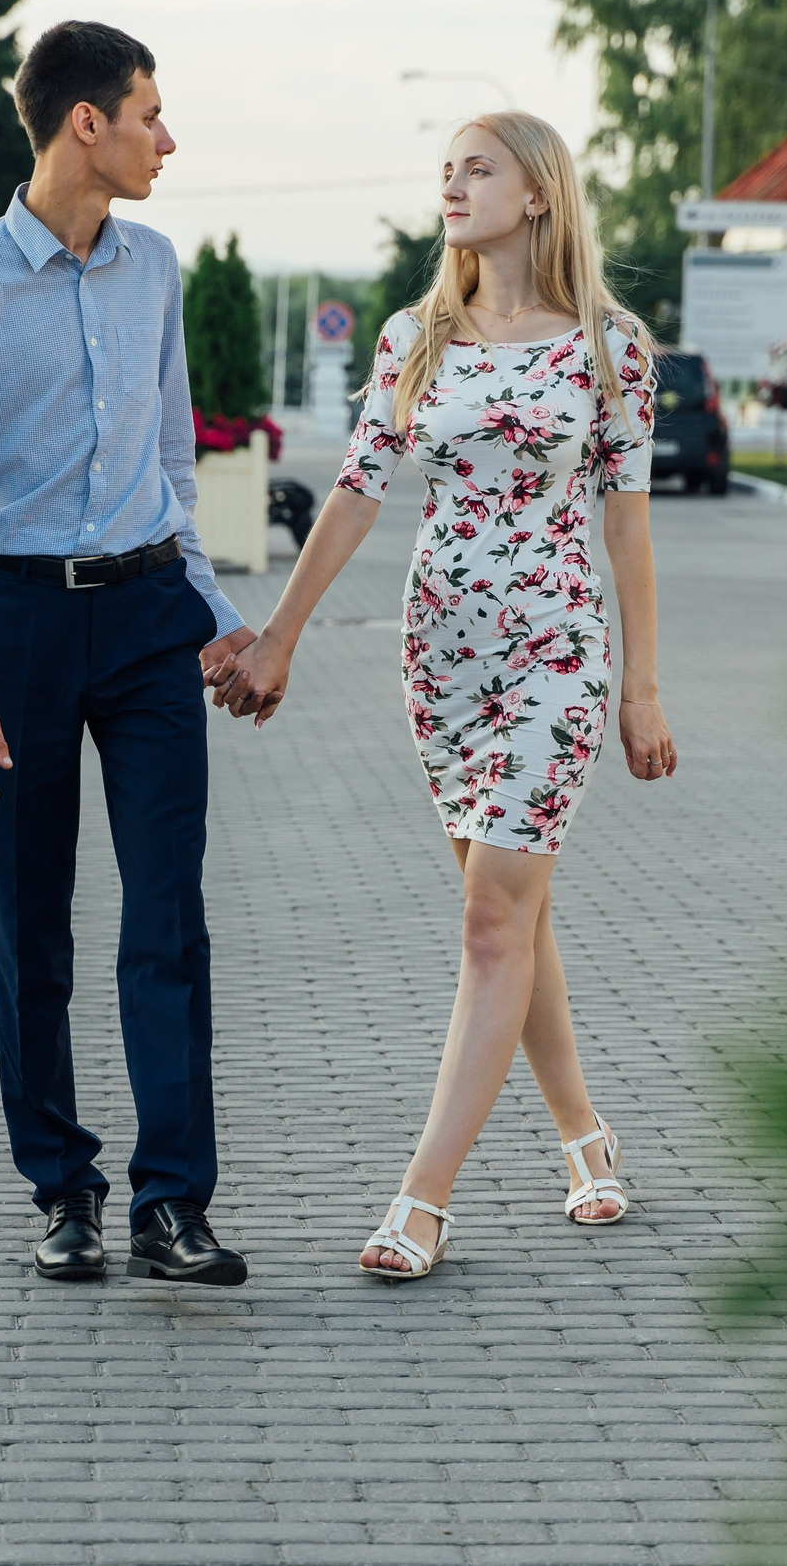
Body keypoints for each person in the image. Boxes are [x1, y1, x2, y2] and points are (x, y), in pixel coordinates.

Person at [205, 111, 678, 1281]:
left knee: (488, 922)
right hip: (441, 660)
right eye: (446, 172)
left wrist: (641, 687)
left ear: (536, 195)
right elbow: (360, 492)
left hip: (557, 654)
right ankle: (584, 1134)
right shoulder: (416, 337)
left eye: (478, 170)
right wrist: (279, 636)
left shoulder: (610, 348)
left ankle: (421, 1200)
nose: (452, 188)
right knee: (509, 916)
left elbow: (628, 522)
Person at [0, 21, 258, 1287]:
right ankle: (62, 1187)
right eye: (150, 112)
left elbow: (169, 474)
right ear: (84, 124)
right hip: (20, 628)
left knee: (167, 917)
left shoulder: (152, 268)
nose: (168, 137)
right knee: (28, 929)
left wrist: (212, 623)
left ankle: (174, 1203)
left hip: (151, 621)